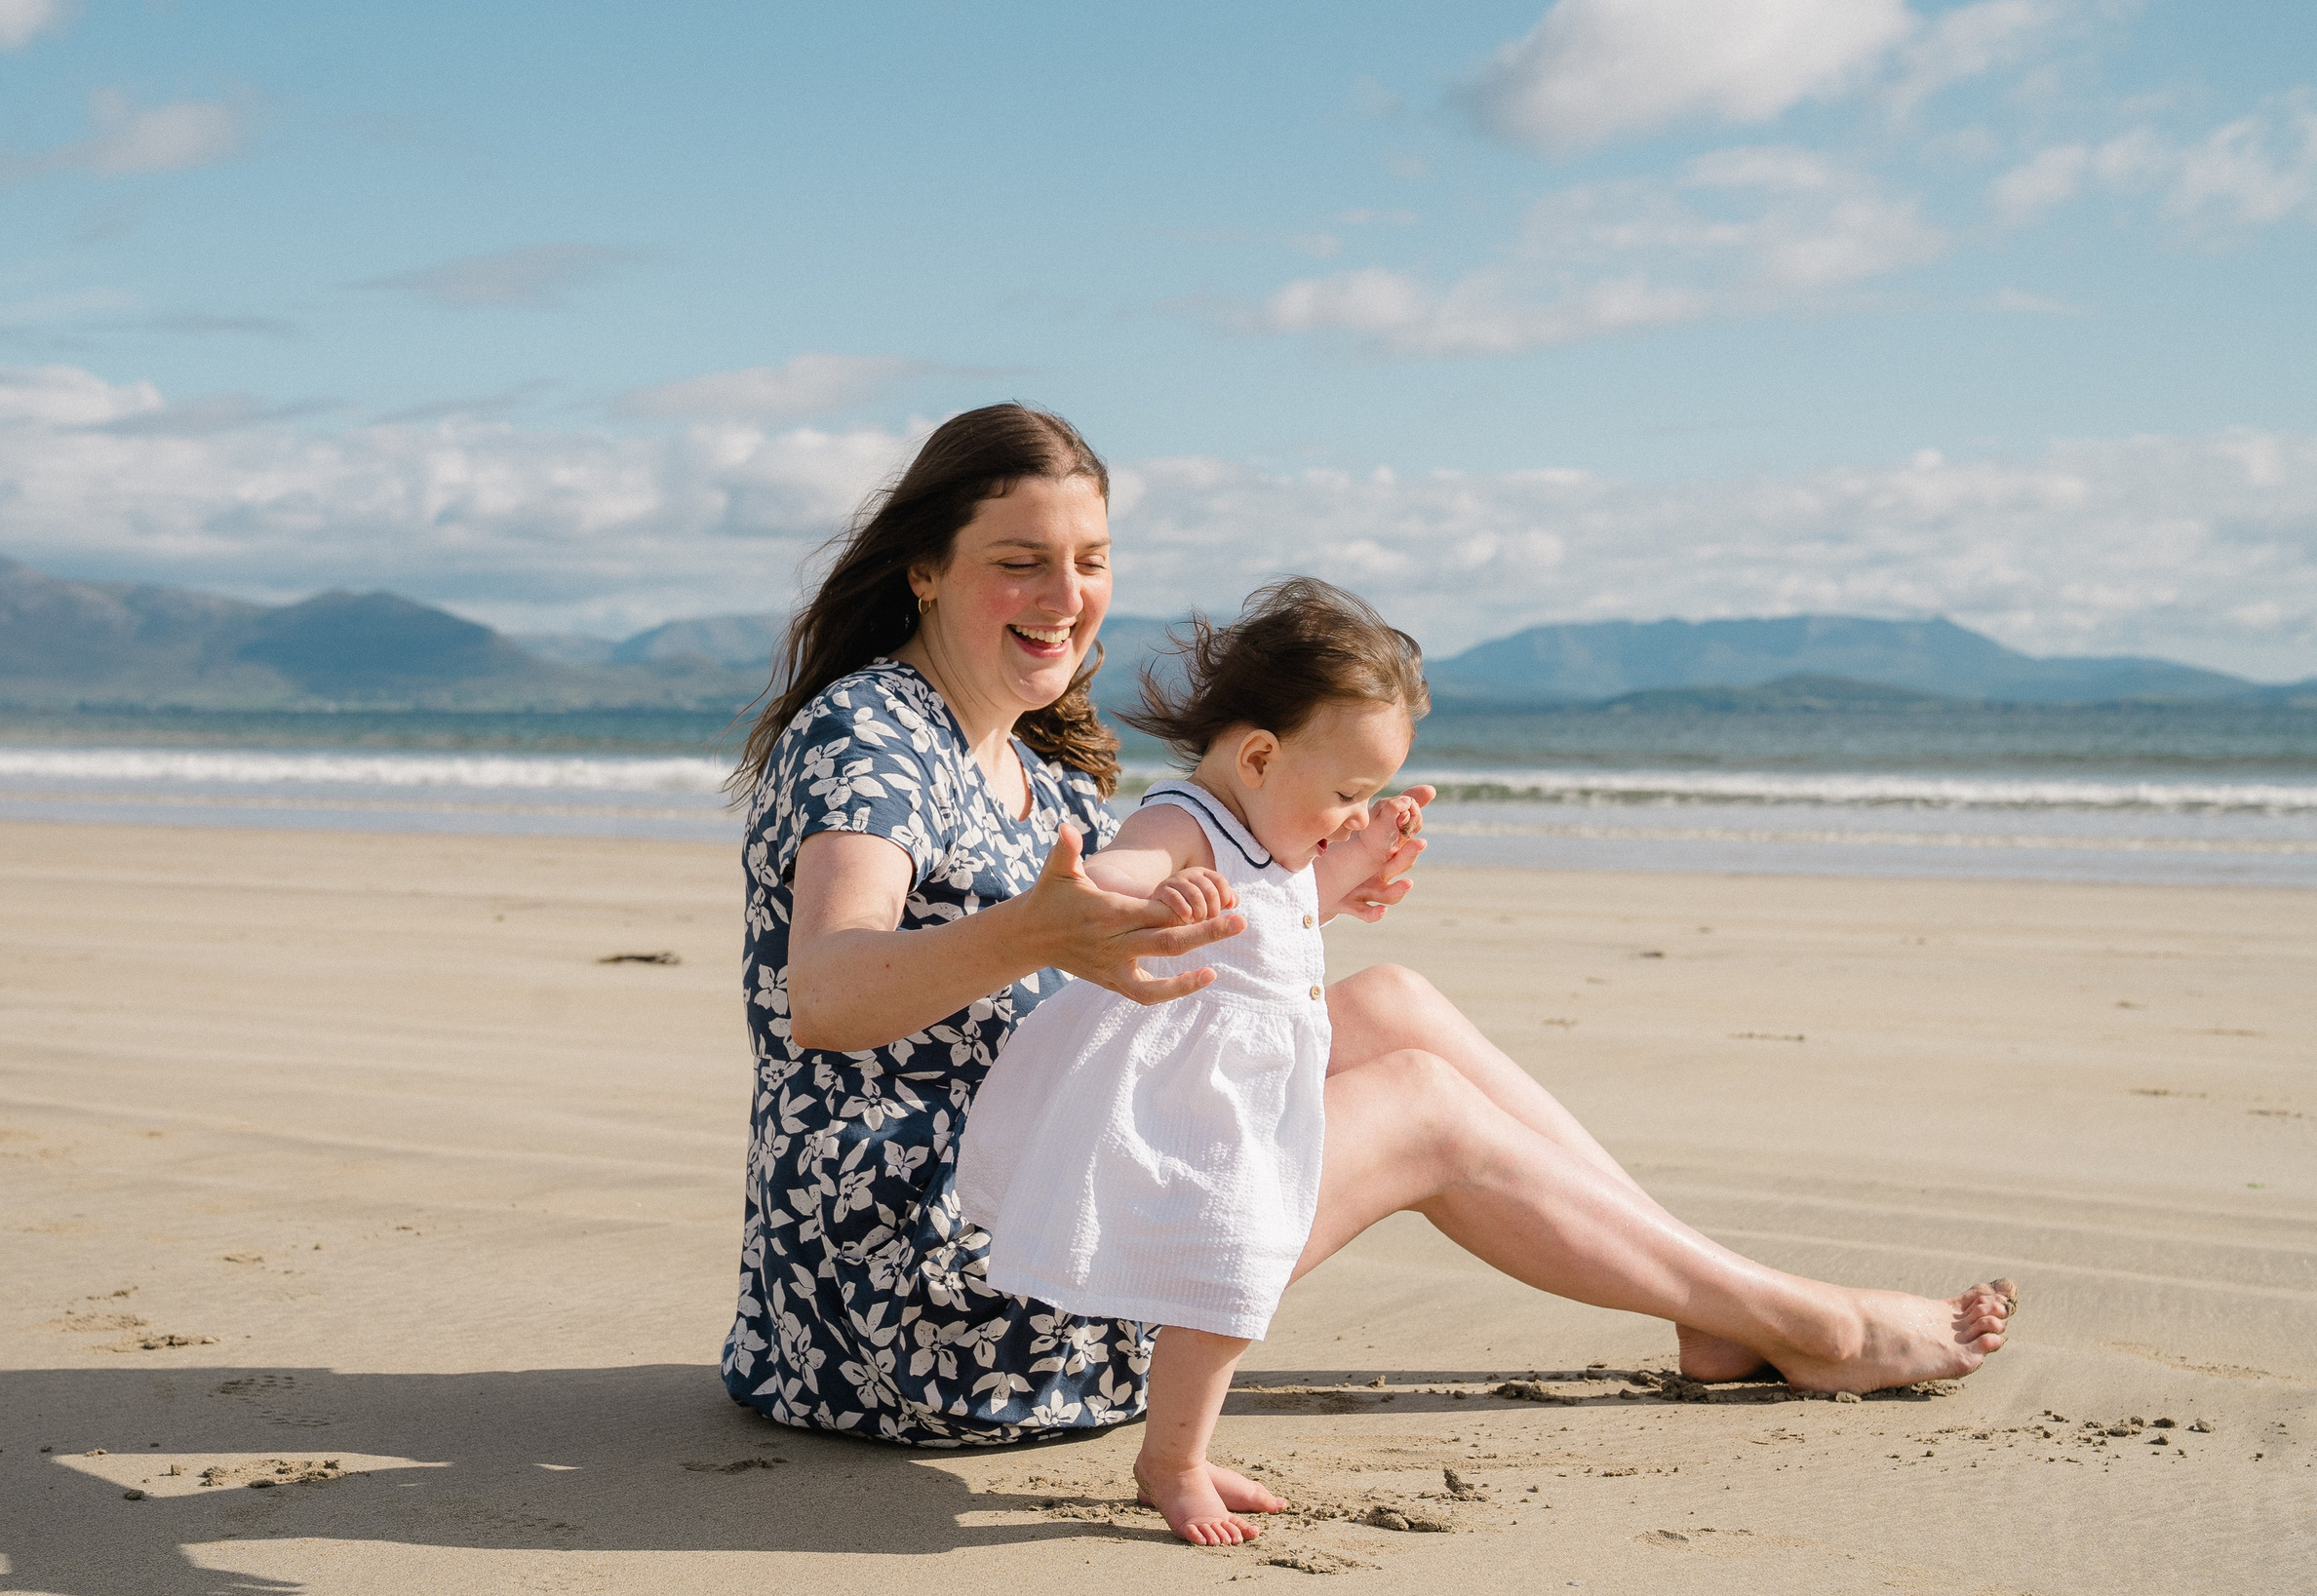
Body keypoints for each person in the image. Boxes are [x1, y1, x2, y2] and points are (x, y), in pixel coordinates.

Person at [720, 403, 2016, 1489]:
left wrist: (1302, 898)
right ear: (925, 568)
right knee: (1422, 1110)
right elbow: (827, 994)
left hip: (1026, 1182)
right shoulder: (868, 737)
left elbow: (1126, 963)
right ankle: (1805, 1322)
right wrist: (1034, 931)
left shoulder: (1040, 759)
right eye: (1022, 561)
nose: (1067, 599)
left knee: (1391, 1000)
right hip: (925, 1300)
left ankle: (1714, 1304)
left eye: (1092, 559)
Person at [955, 576, 1433, 1542]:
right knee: (1228, 1279)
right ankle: (1170, 1461)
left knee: (1232, 1283)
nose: (1352, 813)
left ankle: (1181, 1446)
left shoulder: (1272, 838)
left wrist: (1356, 862)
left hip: (1246, 1111)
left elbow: (1282, 908)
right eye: (1347, 793)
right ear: (1257, 756)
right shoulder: (1184, 821)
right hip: (1177, 1110)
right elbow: (1122, 868)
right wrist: (1138, 898)